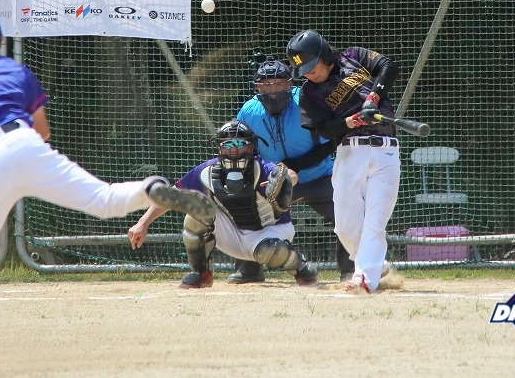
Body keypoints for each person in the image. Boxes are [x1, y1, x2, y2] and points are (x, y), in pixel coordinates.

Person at [0, 10, 187, 370]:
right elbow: (42, 131)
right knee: (101, 199)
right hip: (24, 143)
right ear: (0, 42)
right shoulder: (16, 71)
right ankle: (149, 188)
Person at [127, 118, 319, 288]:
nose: (233, 149)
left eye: (239, 143)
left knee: (268, 250)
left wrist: (284, 180)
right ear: (219, 147)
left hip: (270, 230)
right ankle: (201, 273)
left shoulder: (262, 167)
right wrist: (143, 223)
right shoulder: (207, 171)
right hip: (231, 233)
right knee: (196, 209)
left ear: (251, 147)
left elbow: (288, 174)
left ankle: (301, 267)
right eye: (227, 144)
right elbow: (173, 196)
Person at [286, 29, 400, 293]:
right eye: (304, 71)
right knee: (345, 228)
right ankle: (376, 264)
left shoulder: (353, 56)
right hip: (351, 153)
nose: (310, 74)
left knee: (374, 221)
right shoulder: (309, 92)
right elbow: (323, 130)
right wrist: (353, 120)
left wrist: (373, 98)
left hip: (386, 151)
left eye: (313, 67)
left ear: (324, 54)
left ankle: (364, 278)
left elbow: (388, 66)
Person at [228, 55, 355, 283]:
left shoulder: (308, 101)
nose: (272, 90)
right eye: (265, 84)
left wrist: (295, 166)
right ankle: (248, 270)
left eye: (279, 83)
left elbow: (331, 142)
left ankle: (351, 269)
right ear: (256, 87)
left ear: (290, 84)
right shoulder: (248, 111)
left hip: (319, 175)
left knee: (348, 212)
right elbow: (246, 150)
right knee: (245, 208)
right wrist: (266, 173)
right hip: (272, 180)